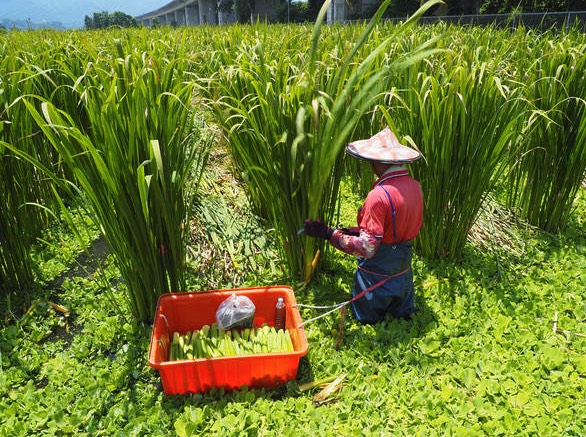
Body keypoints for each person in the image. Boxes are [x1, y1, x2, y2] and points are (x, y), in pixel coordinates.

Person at [303, 127, 423, 324]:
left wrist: (328, 233)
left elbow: (367, 248)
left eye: (371, 161)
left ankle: (371, 319)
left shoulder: (379, 196)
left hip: (377, 282)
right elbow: (394, 227)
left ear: (378, 162)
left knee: (367, 319)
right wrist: (353, 231)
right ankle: (401, 313)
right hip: (402, 276)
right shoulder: (414, 186)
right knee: (402, 318)